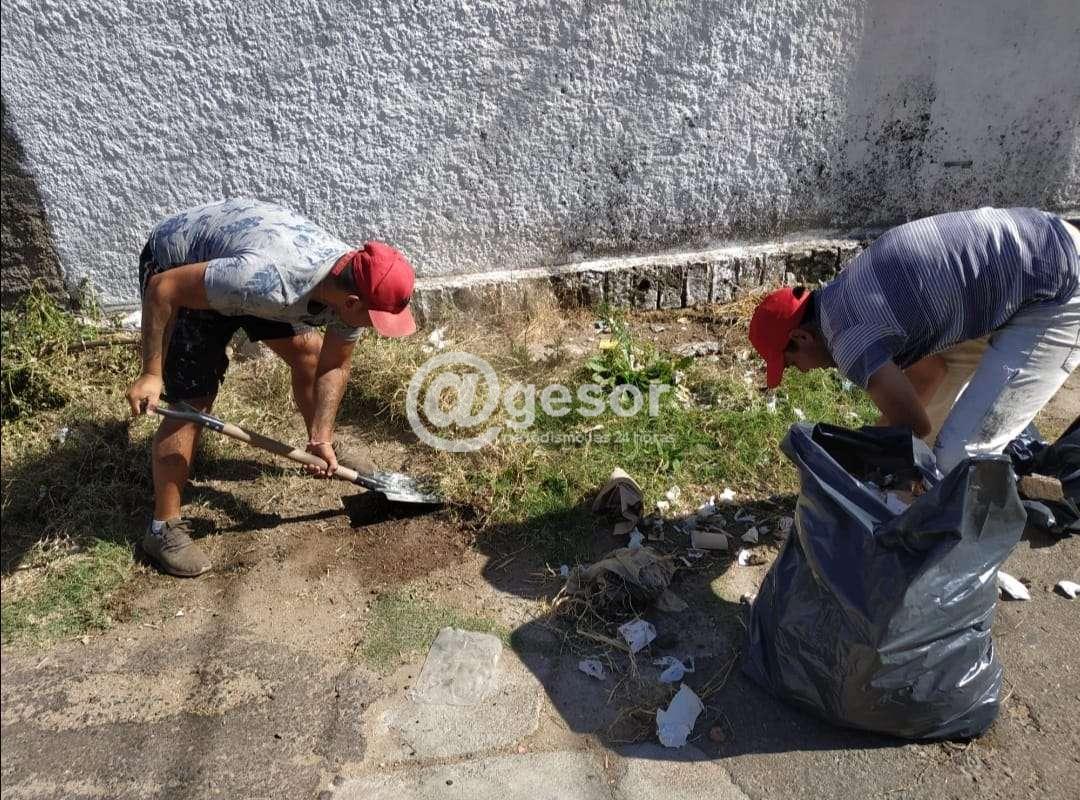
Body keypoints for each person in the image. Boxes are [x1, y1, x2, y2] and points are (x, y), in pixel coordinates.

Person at [125, 198, 417, 577]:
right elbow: (163, 288)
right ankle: (162, 529)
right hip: (179, 267)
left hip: (239, 266)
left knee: (310, 356)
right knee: (193, 402)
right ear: (351, 303)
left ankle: (322, 447)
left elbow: (334, 364)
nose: (376, 327)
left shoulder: (351, 283)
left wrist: (321, 435)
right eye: (376, 319)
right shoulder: (267, 280)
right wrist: (151, 374)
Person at [749, 207, 1080, 472]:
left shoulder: (848, 342)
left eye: (791, 362)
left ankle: (981, 536)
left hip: (1059, 289)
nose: (803, 371)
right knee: (934, 422)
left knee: (960, 458)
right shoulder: (843, 293)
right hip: (1046, 238)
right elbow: (931, 374)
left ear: (801, 336)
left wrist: (856, 460)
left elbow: (913, 426)